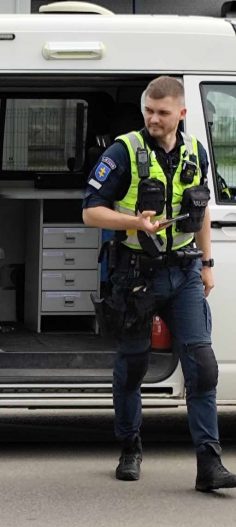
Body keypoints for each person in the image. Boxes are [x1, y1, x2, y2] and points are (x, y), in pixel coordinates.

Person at [83, 75, 236, 492]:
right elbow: (90, 212)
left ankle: (209, 465)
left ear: (181, 114)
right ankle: (130, 447)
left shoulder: (195, 151)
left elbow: (201, 211)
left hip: (184, 270)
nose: (153, 118)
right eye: (148, 110)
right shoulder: (123, 151)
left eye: (162, 112)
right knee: (133, 367)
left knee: (202, 368)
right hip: (135, 274)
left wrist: (207, 262)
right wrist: (134, 222)